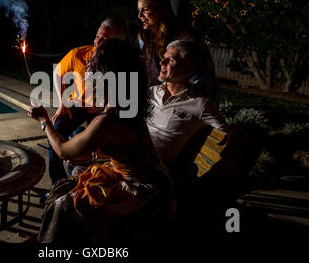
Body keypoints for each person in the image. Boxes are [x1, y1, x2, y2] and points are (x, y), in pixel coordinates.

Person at [29, 39, 173, 243]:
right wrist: (92, 156)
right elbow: (127, 149)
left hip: (145, 190)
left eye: (93, 67)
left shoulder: (109, 119)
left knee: (62, 205)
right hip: (152, 176)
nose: (87, 73)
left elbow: (62, 150)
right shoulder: (128, 105)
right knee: (70, 185)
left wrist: (44, 121)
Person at [48, 18, 128, 185]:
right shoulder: (79, 54)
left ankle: (92, 179)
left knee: (101, 144)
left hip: (102, 109)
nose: (97, 40)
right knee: (56, 131)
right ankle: (57, 183)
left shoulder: (120, 64)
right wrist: (62, 102)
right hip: (77, 104)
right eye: (97, 36)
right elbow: (57, 72)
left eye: (104, 39)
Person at [146, 40, 229, 175]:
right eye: (163, 58)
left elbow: (228, 132)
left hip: (154, 172)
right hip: (131, 157)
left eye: (170, 60)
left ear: (187, 69)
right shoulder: (151, 92)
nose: (162, 63)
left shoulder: (199, 104)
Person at [137, 0, 218, 101]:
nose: (140, 16)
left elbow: (199, 78)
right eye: (139, 11)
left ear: (162, 9)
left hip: (187, 101)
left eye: (145, 10)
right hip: (156, 101)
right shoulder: (144, 40)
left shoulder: (185, 39)